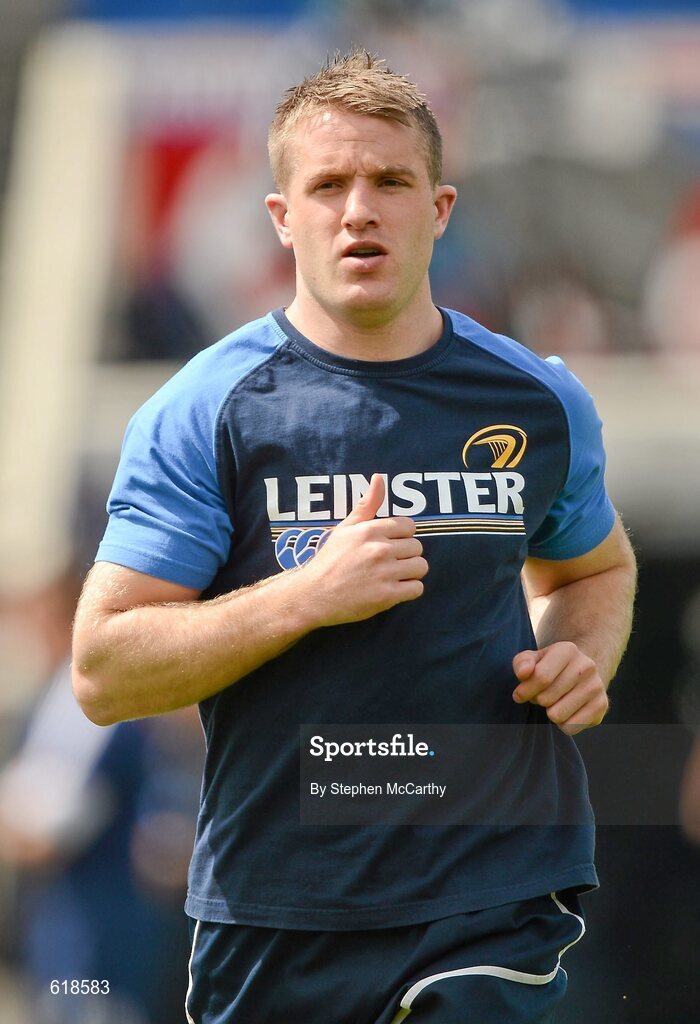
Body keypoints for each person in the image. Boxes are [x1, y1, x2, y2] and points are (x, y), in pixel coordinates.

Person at [72, 51, 637, 1024]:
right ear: (282, 218)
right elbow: (104, 668)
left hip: (490, 899)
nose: (358, 210)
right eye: (327, 185)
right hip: (278, 906)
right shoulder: (206, 410)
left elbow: (594, 564)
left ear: (441, 207)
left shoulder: (535, 399)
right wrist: (307, 594)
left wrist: (580, 651)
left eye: (389, 181)